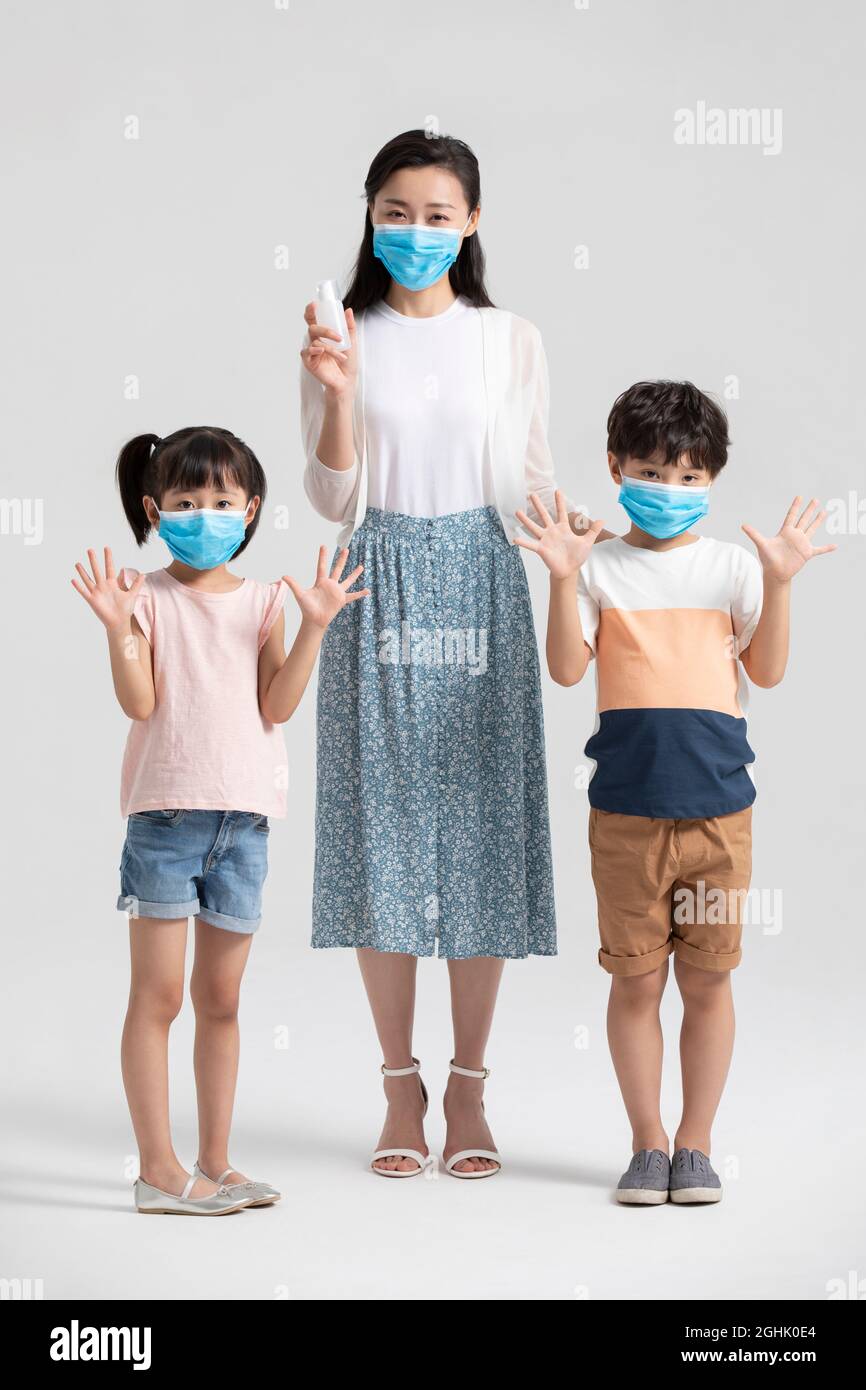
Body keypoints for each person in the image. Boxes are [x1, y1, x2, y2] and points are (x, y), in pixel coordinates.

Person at [300, 129, 603, 1179]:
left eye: (437, 214)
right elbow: (332, 497)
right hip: (375, 573)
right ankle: (397, 1085)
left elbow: (529, 476)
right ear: (369, 215)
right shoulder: (343, 331)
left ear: (470, 221)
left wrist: (572, 554)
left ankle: (468, 1087)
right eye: (396, 211)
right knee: (378, 825)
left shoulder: (508, 336)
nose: (415, 231)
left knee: (479, 824)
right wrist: (339, 392)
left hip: (481, 569)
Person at [517, 380, 834, 1203]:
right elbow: (565, 669)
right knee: (635, 983)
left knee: (708, 981)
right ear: (616, 466)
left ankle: (695, 1144)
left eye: (692, 478)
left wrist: (783, 584)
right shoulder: (600, 569)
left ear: (714, 481)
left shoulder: (733, 566)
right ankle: (647, 1144)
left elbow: (766, 671)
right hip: (625, 817)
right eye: (654, 473)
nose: (673, 491)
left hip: (719, 818)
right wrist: (560, 578)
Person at [72, 426, 367, 1213]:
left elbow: (277, 704)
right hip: (165, 821)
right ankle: (157, 1170)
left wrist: (315, 625)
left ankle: (215, 1160)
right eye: (186, 501)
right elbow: (139, 702)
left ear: (251, 509)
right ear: (154, 508)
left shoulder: (270, 600)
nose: (205, 512)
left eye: (221, 501)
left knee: (223, 1002)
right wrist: (115, 629)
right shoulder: (146, 597)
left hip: (246, 825)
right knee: (159, 998)